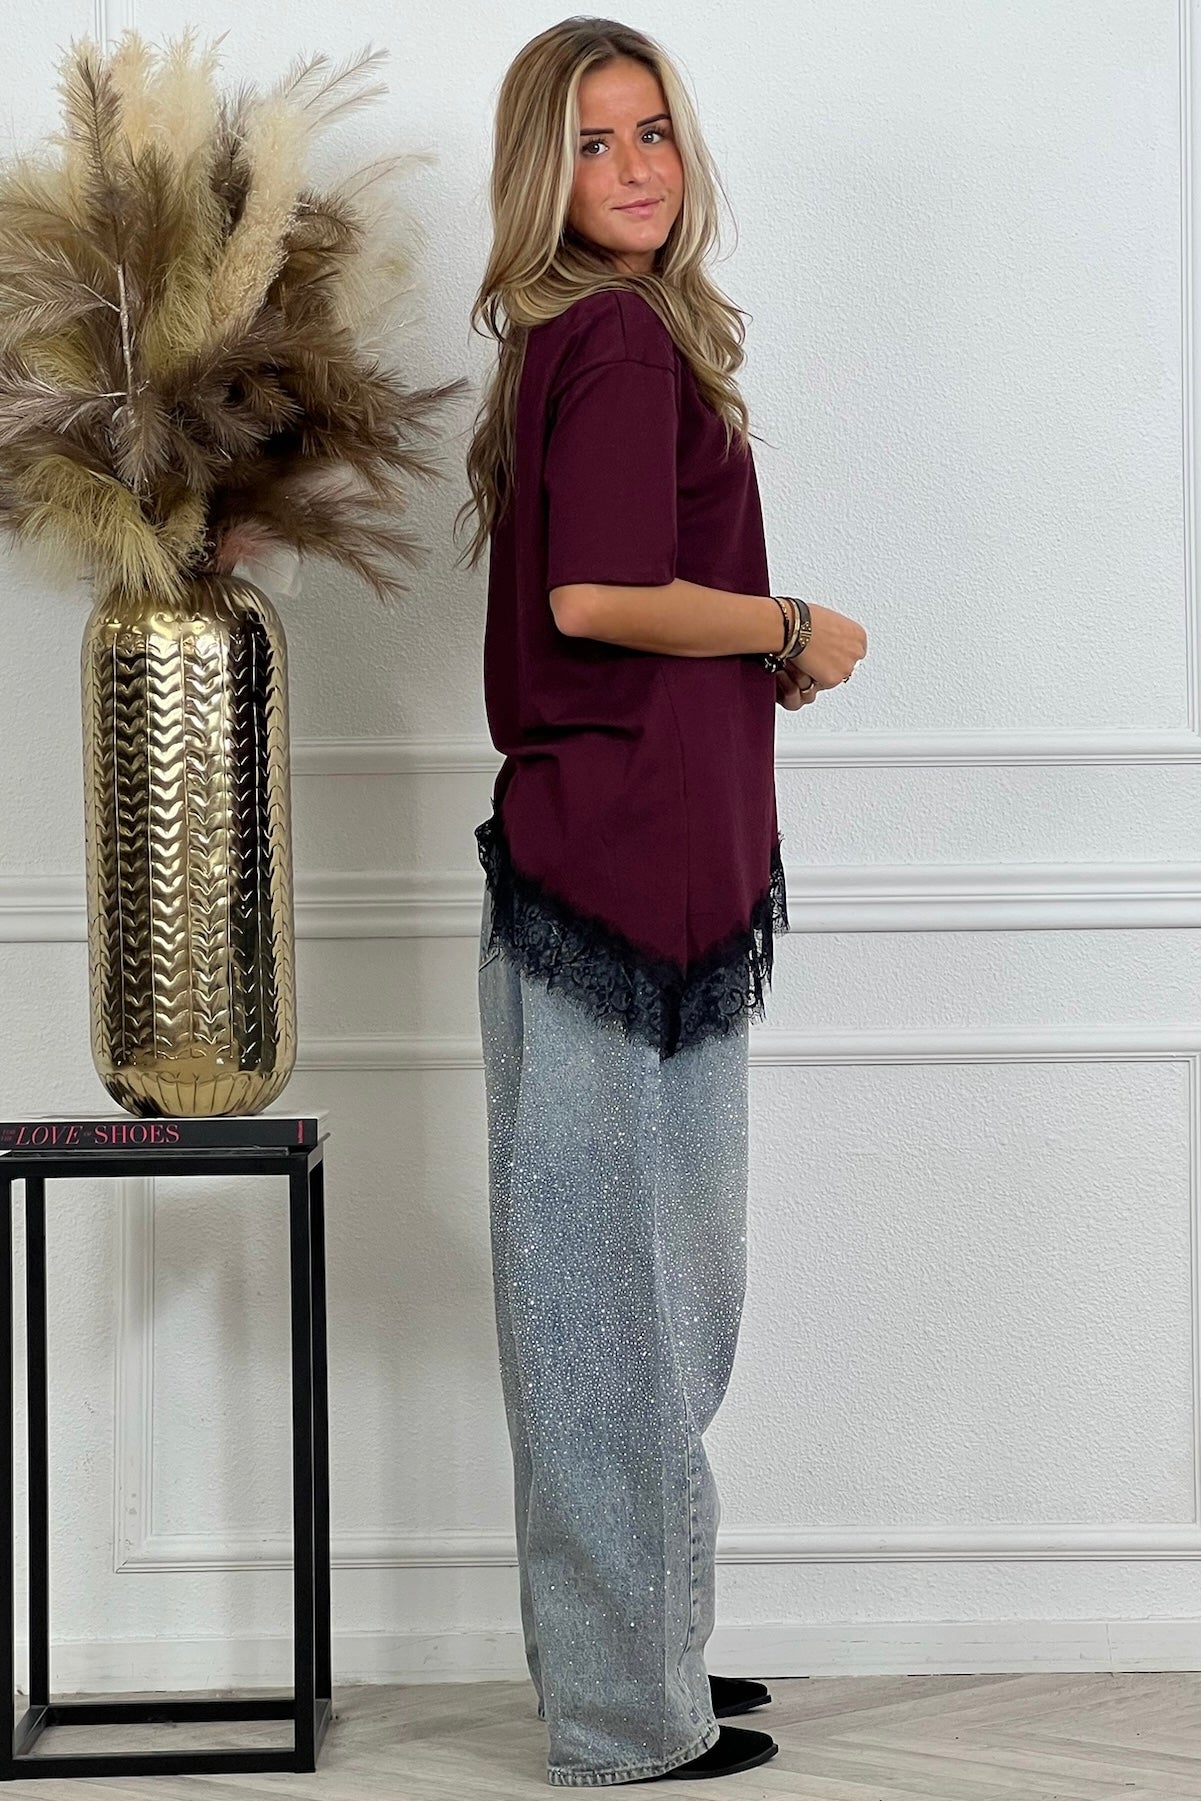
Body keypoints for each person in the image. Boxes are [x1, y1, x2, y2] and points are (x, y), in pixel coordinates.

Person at [454, 16, 867, 1787]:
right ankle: (628, 1718)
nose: (632, 168)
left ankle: (644, 1660)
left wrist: (746, 663)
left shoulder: (603, 332)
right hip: (610, 894)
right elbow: (597, 598)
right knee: (616, 1317)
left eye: (653, 134)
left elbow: (623, 601)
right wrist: (788, 625)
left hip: (645, 882)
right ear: (537, 173)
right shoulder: (614, 337)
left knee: (643, 1301)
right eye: (591, 141)